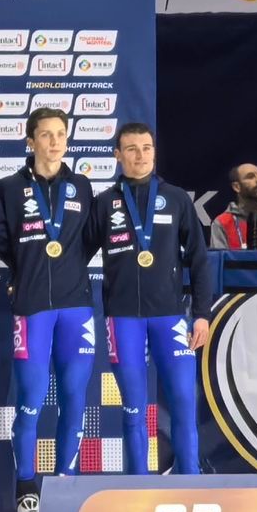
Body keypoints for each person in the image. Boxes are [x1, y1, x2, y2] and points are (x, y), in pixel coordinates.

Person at [83, 123, 213, 474]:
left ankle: (190, 482)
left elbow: (199, 259)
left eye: (146, 148)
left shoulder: (176, 198)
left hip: (170, 317)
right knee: (133, 409)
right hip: (122, 319)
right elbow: (75, 256)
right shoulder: (105, 203)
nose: (140, 155)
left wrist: (202, 314)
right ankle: (138, 486)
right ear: (117, 155)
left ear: (154, 152)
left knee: (184, 403)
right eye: (131, 149)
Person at [0, 109, 96, 507]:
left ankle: (65, 484)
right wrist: (24, 267)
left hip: (76, 306)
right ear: (30, 141)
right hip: (32, 306)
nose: (54, 142)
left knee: (74, 399)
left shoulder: (81, 186)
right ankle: (26, 488)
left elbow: (89, 238)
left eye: (60, 134)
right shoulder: (8, 188)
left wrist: (68, 266)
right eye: (46, 135)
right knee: (30, 400)